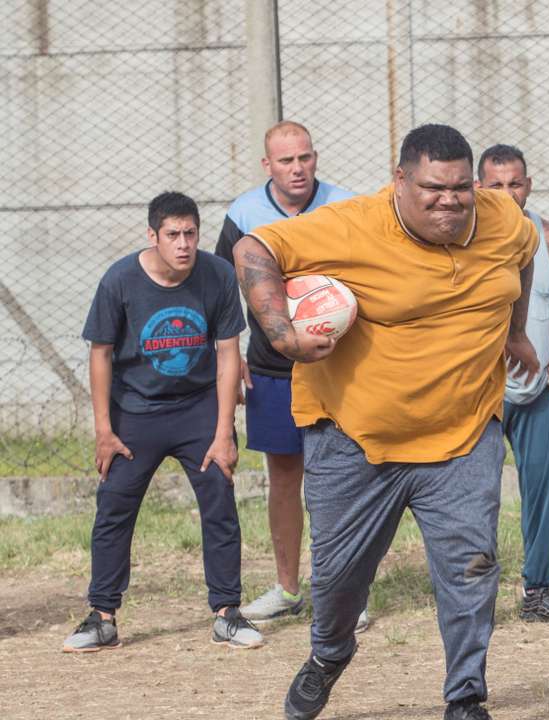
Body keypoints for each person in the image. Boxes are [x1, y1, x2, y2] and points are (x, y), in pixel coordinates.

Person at [234, 124, 539, 720]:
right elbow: (253, 251)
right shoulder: (351, 223)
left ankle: (466, 697)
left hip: (464, 435)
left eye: (459, 189)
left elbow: (523, 257)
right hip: (354, 440)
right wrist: (280, 333)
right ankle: (328, 654)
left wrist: (516, 328)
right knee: (339, 579)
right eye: (431, 188)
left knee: (471, 568)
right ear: (400, 180)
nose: (448, 201)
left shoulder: (501, 218)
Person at [63, 191, 262, 653]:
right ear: (152, 236)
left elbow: (229, 353)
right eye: (173, 234)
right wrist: (104, 430)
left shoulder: (217, 275)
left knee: (219, 497)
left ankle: (227, 612)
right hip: (135, 411)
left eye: (190, 233)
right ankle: (102, 615)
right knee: (114, 507)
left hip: (197, 409)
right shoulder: (120, 280)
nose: (184, 243)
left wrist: (222, 432)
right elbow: (100, 354)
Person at [213, 120, 368, 632]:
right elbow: (222, 299)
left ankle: (346, 593)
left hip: (343, 369)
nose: (297, 168)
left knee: (345, 479)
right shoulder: (243, 214)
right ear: (267, 166)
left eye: (304, 158)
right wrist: (231, 368)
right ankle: (287, 588)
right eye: (285, 161)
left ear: (315, 157)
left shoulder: (347, 205)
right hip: (273, 370)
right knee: (284, 477)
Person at [475, 144, 549, 625]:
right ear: (478, 188)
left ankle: (538, 591)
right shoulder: (460, 238)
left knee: (545, 493)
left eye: (515, 183)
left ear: (529, 185)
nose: (506, 193)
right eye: (495, 185)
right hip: (480, 393)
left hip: (539, 389)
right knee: (474, 495)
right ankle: (473, 597)